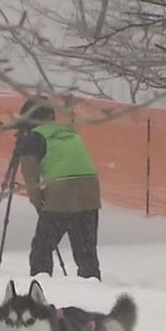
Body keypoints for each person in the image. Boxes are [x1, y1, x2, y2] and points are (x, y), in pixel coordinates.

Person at [14, 97, 103, 280]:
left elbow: (30, 177)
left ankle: (41, 285)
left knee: (42, 248)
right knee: (86, 251)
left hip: (62, 194)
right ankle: (93, 286)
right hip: (90, 191)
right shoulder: (69, 131)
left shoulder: (34, 137)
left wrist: (39, 203)